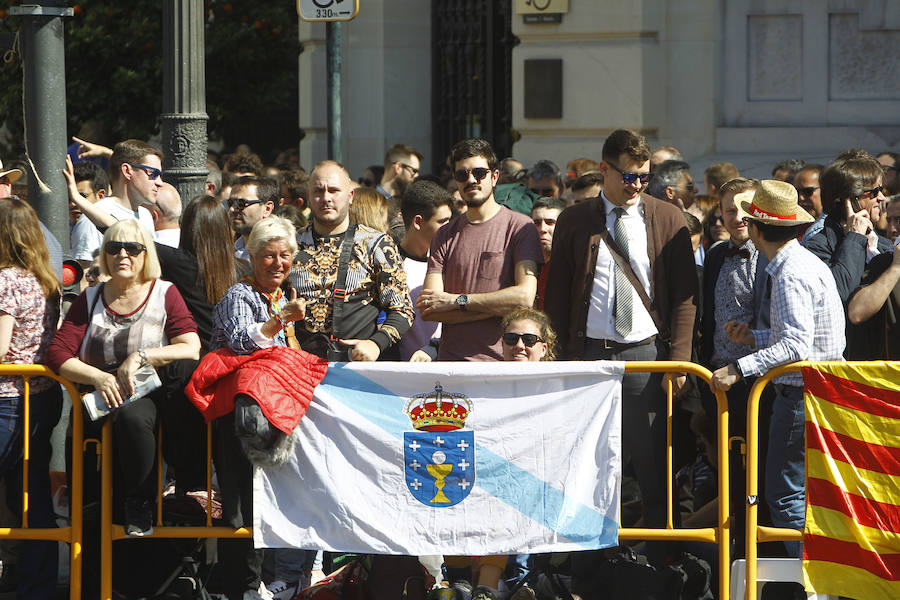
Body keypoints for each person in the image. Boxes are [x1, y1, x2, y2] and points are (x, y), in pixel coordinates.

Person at [545, 129, 697, 558]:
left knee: (653, 468)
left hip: (645, 355)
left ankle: (664, 566)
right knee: (588, 468)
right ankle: (588, 566)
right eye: (628, 177)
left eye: (643, 178)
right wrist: (557, 359)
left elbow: (686, 299)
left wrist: (680, 362)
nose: (636, 186)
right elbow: (556, 295)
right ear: (605, 170)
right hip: (588, 354)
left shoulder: (668, 218)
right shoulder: (575, 220)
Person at [710, 180, 845, 557]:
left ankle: (813, 580)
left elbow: (796, 345)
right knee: (797, 493)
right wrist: (755, 338)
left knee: (785, 496)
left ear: (756, 229)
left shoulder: (789, 272)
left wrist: (739, 367)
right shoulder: (800, 263)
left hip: (801, 393)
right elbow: (802, 337)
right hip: (812, 390)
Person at [46, 220, 201, 537]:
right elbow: (58, 353)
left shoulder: (164, 293)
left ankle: (139, 503)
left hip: (144, 395)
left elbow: (191, 347)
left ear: (146, 254)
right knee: (89, 510)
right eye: (113, 248)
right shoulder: (90, 298)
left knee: (133, 417)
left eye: (132, 248)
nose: (123, 255)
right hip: (95, 404)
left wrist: (141, 357)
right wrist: (99, 378)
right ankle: (93, 572)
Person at [207, 216, 312, 600]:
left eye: (285, 255)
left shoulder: (281, 296)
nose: (278, 263)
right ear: (252, 256)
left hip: (273, 416)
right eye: (269, 256)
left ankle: (267, 581)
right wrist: (279, 321)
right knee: (241, 506)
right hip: (241, 420)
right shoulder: (240, 294)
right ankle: (244, 588)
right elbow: (238, 342)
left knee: (268, 501)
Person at [419, 138, 543, 361]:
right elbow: (431, 309)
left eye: (479, 173)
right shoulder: (444, 234)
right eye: (462, 175)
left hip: (502, 364)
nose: (471, 180)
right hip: (451, 364)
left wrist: (456, 301)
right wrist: (498, 306)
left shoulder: (520, 227)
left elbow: (524, 297)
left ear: (494, 177)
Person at [0, 197, 63, 600]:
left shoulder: (5, 280)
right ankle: (35, 584)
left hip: (6, 398)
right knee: (31, 492)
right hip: (42, 396)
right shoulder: (46, 281)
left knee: (26, 493)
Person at [289, 160, 414, 362]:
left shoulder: (376, 244)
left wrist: (376, 343)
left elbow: (403, 309)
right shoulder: (289, 245)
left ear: (350, 196)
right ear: (309, 198)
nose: (326, 198)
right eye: (318, 191)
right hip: (299, 368)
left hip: (355, 370)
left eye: (334, 190)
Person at [68, 140, 160, 267]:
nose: (159, 182)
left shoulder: (146, 215)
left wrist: (108, 153)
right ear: (127, 171)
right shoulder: (91, 218)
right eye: (153, 174)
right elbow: (85, 279)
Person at [397, 180, 454, 362]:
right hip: (403, 376)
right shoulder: (390, 266)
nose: (450, 229)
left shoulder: (452, 262)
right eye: (442, 222)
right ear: (418, 222)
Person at [230, 175, 278, 261]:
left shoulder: (282, 251)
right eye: (230, 202)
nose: (232, 209)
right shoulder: (231, 251)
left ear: (267, 209)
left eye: (241, 203)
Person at [531, 198, 565, 309]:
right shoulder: (522, 263)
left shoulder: (573, 266)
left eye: (550, 222)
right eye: (536, 223)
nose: (542, 229)